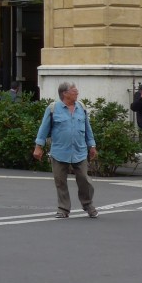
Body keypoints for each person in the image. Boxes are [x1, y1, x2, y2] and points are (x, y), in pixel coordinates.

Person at [33, 81, 99, 219]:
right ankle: (63, 209)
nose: (77, 92)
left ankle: (88, 204)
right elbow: (44, 128)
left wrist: (91, 145)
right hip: (60, 151)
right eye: (74, 90)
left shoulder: (81, 107)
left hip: (79, 151)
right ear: (65, 93)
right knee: (60, 181)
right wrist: (38, 146)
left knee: (85, 180)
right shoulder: (53, 108)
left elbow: (88, 128)